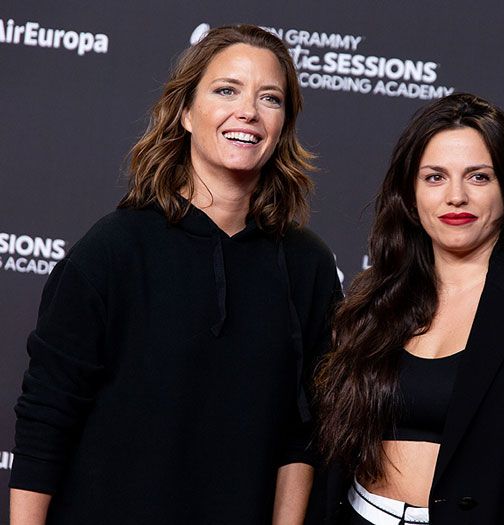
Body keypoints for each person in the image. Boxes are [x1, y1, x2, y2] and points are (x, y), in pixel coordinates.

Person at [9, 25, 341, 524]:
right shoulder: (113, 249)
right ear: (185, 112)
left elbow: (305, 430)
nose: (247, 111)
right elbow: (46, 416)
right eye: (226, 90)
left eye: (269, 98)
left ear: (283, 124)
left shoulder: (307, 264)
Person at [314, 93, 504, 524]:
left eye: (478, 177)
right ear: (410, 195)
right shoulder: (375, 295)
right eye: (434, 177)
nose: (455, 196)